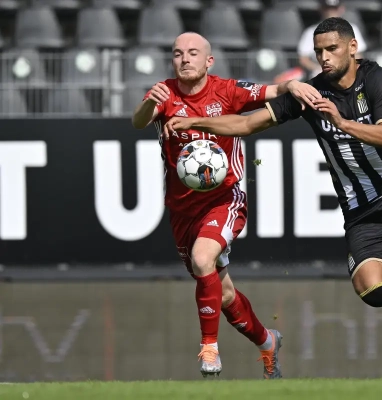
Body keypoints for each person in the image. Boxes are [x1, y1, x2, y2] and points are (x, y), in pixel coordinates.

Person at [164, 18, 382, 377]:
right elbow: (245, 124)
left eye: (331, 49)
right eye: (318, 50)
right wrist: (196, 122)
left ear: (352, 47)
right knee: (371, 289)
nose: (324, 57)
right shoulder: (311, 93)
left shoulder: (374, 78)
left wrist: (342, 122)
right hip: (362, 210)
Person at [131, 32, 322, 379]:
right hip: (182, 210)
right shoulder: (164, 93)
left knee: (203, 259)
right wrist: (148, 104)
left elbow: (272, 91)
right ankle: (268, 342)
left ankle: (209, 348)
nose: (184, 59)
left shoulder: (227, 91)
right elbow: (139, 121)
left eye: (193, 53)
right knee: (223, 293)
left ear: (209, 61)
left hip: (224, 199)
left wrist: (293, 85)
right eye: (178, 53)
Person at [298, 0, 367, 79]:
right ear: (321, 9)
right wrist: (318, 68)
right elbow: (303, 59)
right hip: (320, 74)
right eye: (327, 9)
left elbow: (357, 55)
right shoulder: (310, 31)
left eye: (334, 9)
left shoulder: (352, 29)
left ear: (342, 9)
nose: (331, 13)